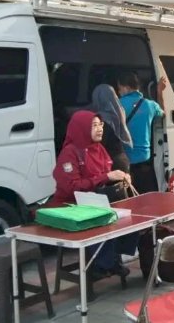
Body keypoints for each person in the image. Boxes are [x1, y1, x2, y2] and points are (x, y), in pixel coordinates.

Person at [50, 110, 134, 279]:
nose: (99, 129)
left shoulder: (99, 148)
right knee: (100, 222)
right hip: (70, 205)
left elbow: (103, 176)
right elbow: (71, 187)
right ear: (81, 128)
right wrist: (106, 177)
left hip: (94, 201)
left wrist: (120, 177)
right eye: (94, 126)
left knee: (128, 219)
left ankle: (111, 260)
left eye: (100, 125)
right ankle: (102, 264)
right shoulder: (70, 153)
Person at [117, 72, 165, 192]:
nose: (119, 92)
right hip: (144, 159)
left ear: (126, 87)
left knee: (127, 197)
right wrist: (160, 92)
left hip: (124, 161)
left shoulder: (117, 104)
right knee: (145, 198)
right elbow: (163, 114)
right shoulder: (150, 105)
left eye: (119, 88)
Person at [91, 84, 133, 172]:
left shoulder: (101, 120)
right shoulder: (119, 111)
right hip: (122, 159)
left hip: (110, 163)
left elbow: (99, 145)